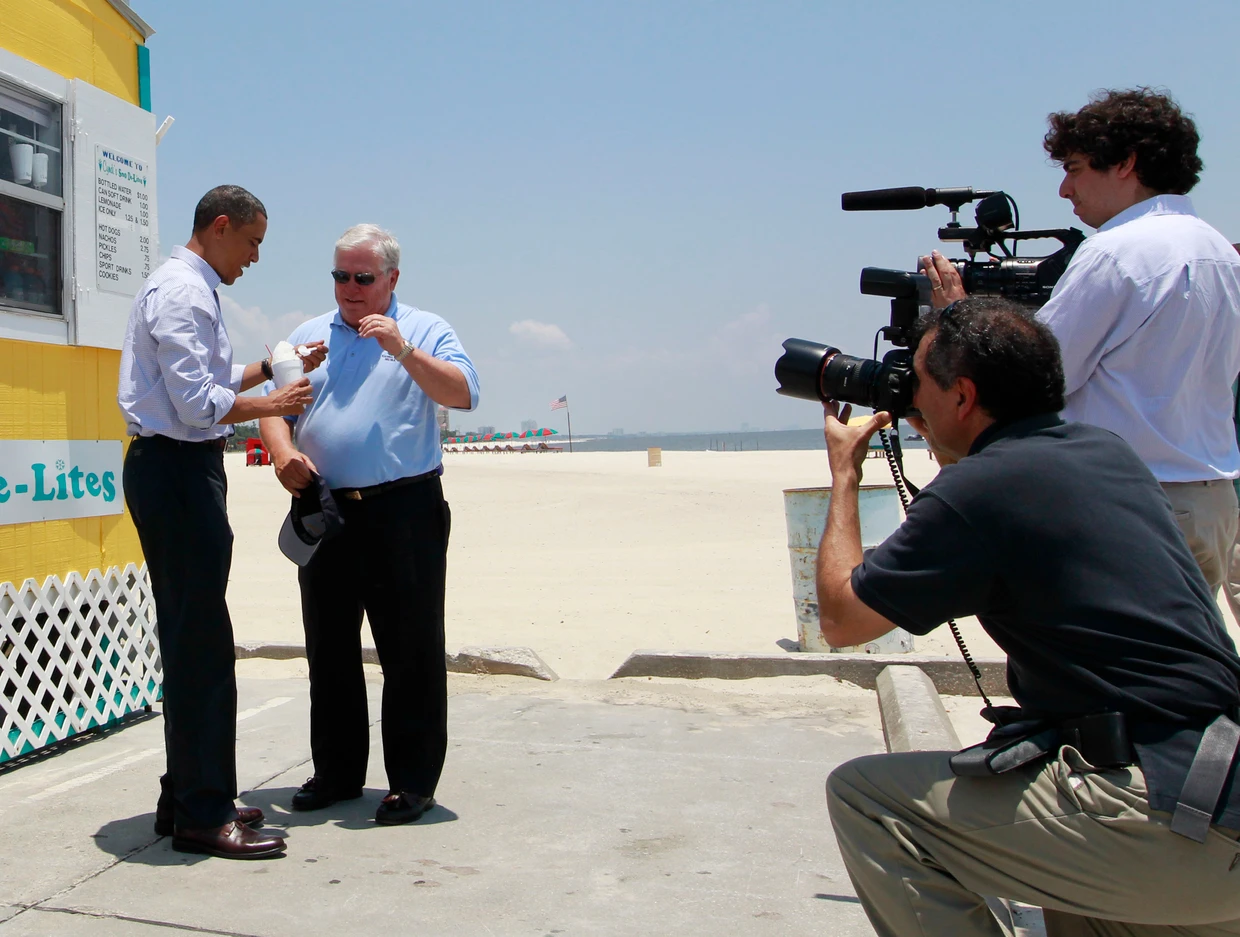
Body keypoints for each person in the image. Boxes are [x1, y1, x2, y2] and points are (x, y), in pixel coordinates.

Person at [817, 297, 1240, 936]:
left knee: (869, 801)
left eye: (919, 385)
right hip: (1218, 789)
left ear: (962, 396)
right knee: (1058, 837)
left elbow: (842, 620)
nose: (912, 401)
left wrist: (845, 474)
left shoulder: (978, 491)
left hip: (1167, 825)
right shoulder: (1109, 454)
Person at [920, 88, 1240, 598]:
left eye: (1074, 168)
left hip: (1131, 501)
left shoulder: (1115, 252)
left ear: (1126, 163)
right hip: (1210, 500)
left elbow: (1032, 379)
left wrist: (958, 318)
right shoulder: (1220, 250)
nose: (1066, 190)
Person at [118, 185, 325, 859]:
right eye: (253, 241)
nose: (256, 257)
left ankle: (188, 794)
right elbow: (195, 401)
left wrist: (270, 367)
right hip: (177, 469)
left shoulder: (184, 285)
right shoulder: (182, 290)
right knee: (202, 642)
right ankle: (202, 812)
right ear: (222, 226)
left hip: (175, 468)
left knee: (192, 636)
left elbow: (209, 375)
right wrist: (273, 399)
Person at [259, 223, 479, 825]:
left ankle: (411, 782)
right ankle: (336, 773)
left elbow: (462, 394)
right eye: (340, 276)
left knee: (409, 649)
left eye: (362, 278)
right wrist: (283, 455)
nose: (349, 289)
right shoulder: (308, 335)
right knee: (328, 647)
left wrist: (403, 350)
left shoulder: (427, 328)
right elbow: (276, 410)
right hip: (325, 507)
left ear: (391, 279)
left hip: (403, 509)